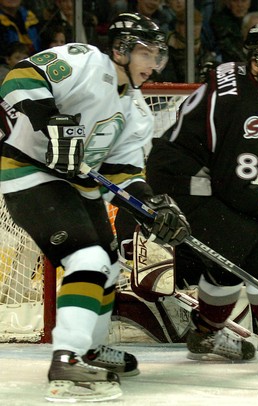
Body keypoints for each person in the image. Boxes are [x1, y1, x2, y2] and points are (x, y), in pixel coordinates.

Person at [0, 12, 190, 402]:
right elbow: (19, 77)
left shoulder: (136, 110)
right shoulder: (86, 61)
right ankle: (66, 358)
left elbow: (121, 173)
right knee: (88, 259)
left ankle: (88, 348)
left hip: (79, 187)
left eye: (158, 55)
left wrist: (149, 204)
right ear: (120, 50)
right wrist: (52, 122)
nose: (153, 63)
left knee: (109, 264)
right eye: (146, 53)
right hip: (30, 172)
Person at [146, 23, 258, 371]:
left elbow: (233, 167)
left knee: (230, 251)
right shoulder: (253, 111)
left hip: (179, 176)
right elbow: (233, 184)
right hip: (186, 187)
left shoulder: (233, 71)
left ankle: (206, 334)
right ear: (257, 62)